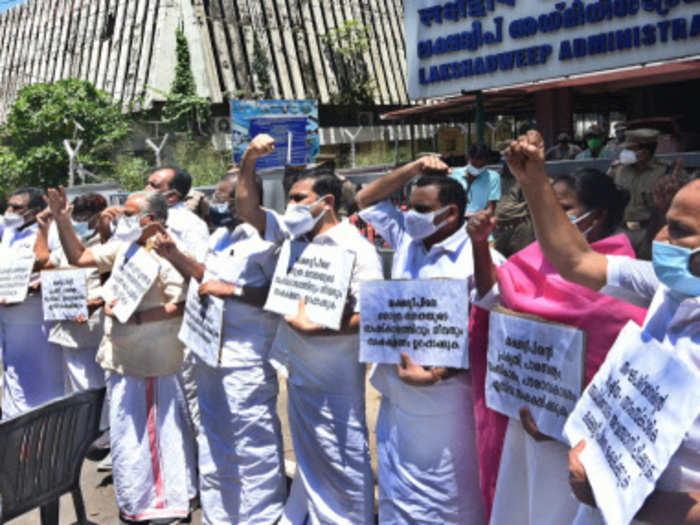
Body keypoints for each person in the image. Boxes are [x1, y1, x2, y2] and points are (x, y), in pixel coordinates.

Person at [504, 129, 700, 524]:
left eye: (678, 230)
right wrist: (533, 182)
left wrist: (623, 499)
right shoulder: (669, 287)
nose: (659, 236)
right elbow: (577, 261)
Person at [467, 169, 646, 525]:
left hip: (578, 441)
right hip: (524, 422)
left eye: (563, 208)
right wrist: (479, 245)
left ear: (598, 216)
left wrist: (564, 423)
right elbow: (491, 300)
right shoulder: (532, 258)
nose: (547, 218)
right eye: (543, 208)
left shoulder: (623, 273)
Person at [236, 134, 383, 525]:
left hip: (336, 377)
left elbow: (374, 314)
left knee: (342, 456)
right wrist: (250, 159)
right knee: (310, 453)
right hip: (299, 372)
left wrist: (321, 328)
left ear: (327, 202)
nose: (292, 207)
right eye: (290, 199)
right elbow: (246, 207)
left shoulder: (356, 248)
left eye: (300, 199)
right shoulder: (294, 238)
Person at [355, 156, 498, 524]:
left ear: (450, 214)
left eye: (421, 208)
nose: (409, 213)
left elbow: (489, 332)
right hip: (397, 395)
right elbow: (366, 201)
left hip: (446, 402)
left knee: (445, 493)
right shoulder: (407, 238)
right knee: (396, 486)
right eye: (408, 205)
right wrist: (413, 168)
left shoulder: (479, 258)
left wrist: (436, 375)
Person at [47, 187, 196, 523]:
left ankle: (161, 506)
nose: (120, 217)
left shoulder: (169, 251)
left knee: (155, 436)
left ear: (151, 220)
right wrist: (61, 220)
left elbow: (182, 302)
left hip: (151, 363)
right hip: (121, 359)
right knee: (128, 437)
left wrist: (140, 317)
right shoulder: (127, 246)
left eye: (129, 213)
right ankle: (136, 501)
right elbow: (81, 258)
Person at [153, 172, 286, 524]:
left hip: (246, 359)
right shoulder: (220, 235)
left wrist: (234, 292)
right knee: (214, 439)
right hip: (208, 351)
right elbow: (206, 277)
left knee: (251, 441)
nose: (220, 203)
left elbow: (283, 294)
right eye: (218, 196)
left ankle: (259, 516)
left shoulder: (270, 237)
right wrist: (174, 256)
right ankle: (220, 515)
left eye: (229, 197)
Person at [146, 165, 209, 436]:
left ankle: (195, 461)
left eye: (152, 185)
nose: (145, 190)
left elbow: (200, 274)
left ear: (171, 196)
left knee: (186, 395)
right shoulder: (145, 223)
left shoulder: (190, 226)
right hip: (152, 324)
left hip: (179, 322)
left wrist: (172, 255)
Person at [34, 193, 109, 401]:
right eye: (76, 218)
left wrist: (98, 302)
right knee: (79, 389)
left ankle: (104, 430)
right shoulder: (67, 246)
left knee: (100, 389)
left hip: (96, 327)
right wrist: (42, 227)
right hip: (69, 327)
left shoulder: (107, 246)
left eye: (85, 218)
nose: (79, 224)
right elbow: (42, 263)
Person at [0, 187, 64, 419]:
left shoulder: (51, 232)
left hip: (36, 319)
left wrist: (35, 287)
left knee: (42, 380)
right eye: (8, 205)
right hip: (8, 320)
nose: (9, 211)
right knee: (14, 376)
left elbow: (62, 268)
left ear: (35, 211)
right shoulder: (8, 230)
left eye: (16, 207)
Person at [609, 128, 668, 260]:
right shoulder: (618, 170)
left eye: (630, 149)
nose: (625, 153)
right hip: (621, 230)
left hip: (650, 232)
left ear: (644, 152)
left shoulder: (665, 172)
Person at [449, 143, 501, 217]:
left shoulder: (493, 177)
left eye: (482, 165)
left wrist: (476, 217)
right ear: (467, 158)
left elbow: (490, 209)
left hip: (479, 223)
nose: (477, 168)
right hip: (457, 221)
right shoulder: (453, 175)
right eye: (474, 164)